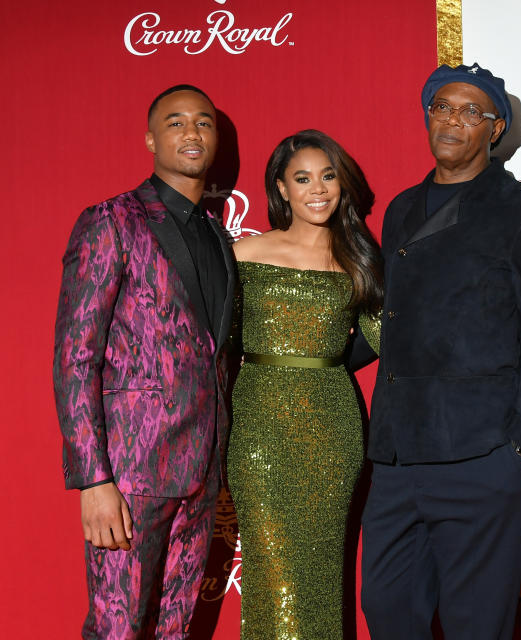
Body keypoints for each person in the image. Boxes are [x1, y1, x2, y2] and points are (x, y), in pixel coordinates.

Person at [359, 63, 521, 640]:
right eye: (442, 107)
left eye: (472, 111)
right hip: (398, 454)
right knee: (387, 606)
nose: (453, 120)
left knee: (478, 624)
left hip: (481, 453)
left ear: (495, 130)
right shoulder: (400, 208)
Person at [53, 84, 236, 639]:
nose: (191, 133)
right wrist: (93, 479)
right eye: (176, 122)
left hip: (202, 471)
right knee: (118, 627)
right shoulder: (111, 221)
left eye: (203, 123)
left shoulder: (218, 236)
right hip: (130, 474)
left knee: (175, 628)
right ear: (151, 138)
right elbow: (75, 356)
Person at [227, 129, 382, 639]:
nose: (318, 188)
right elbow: (214, 349)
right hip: (258, 430)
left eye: (328, 176)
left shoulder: (358, 259)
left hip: (332, 431)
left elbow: (389, 340)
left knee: (321, 577)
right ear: (281, 189)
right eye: (302, 178)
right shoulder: (244, 256)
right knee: (277, 582)